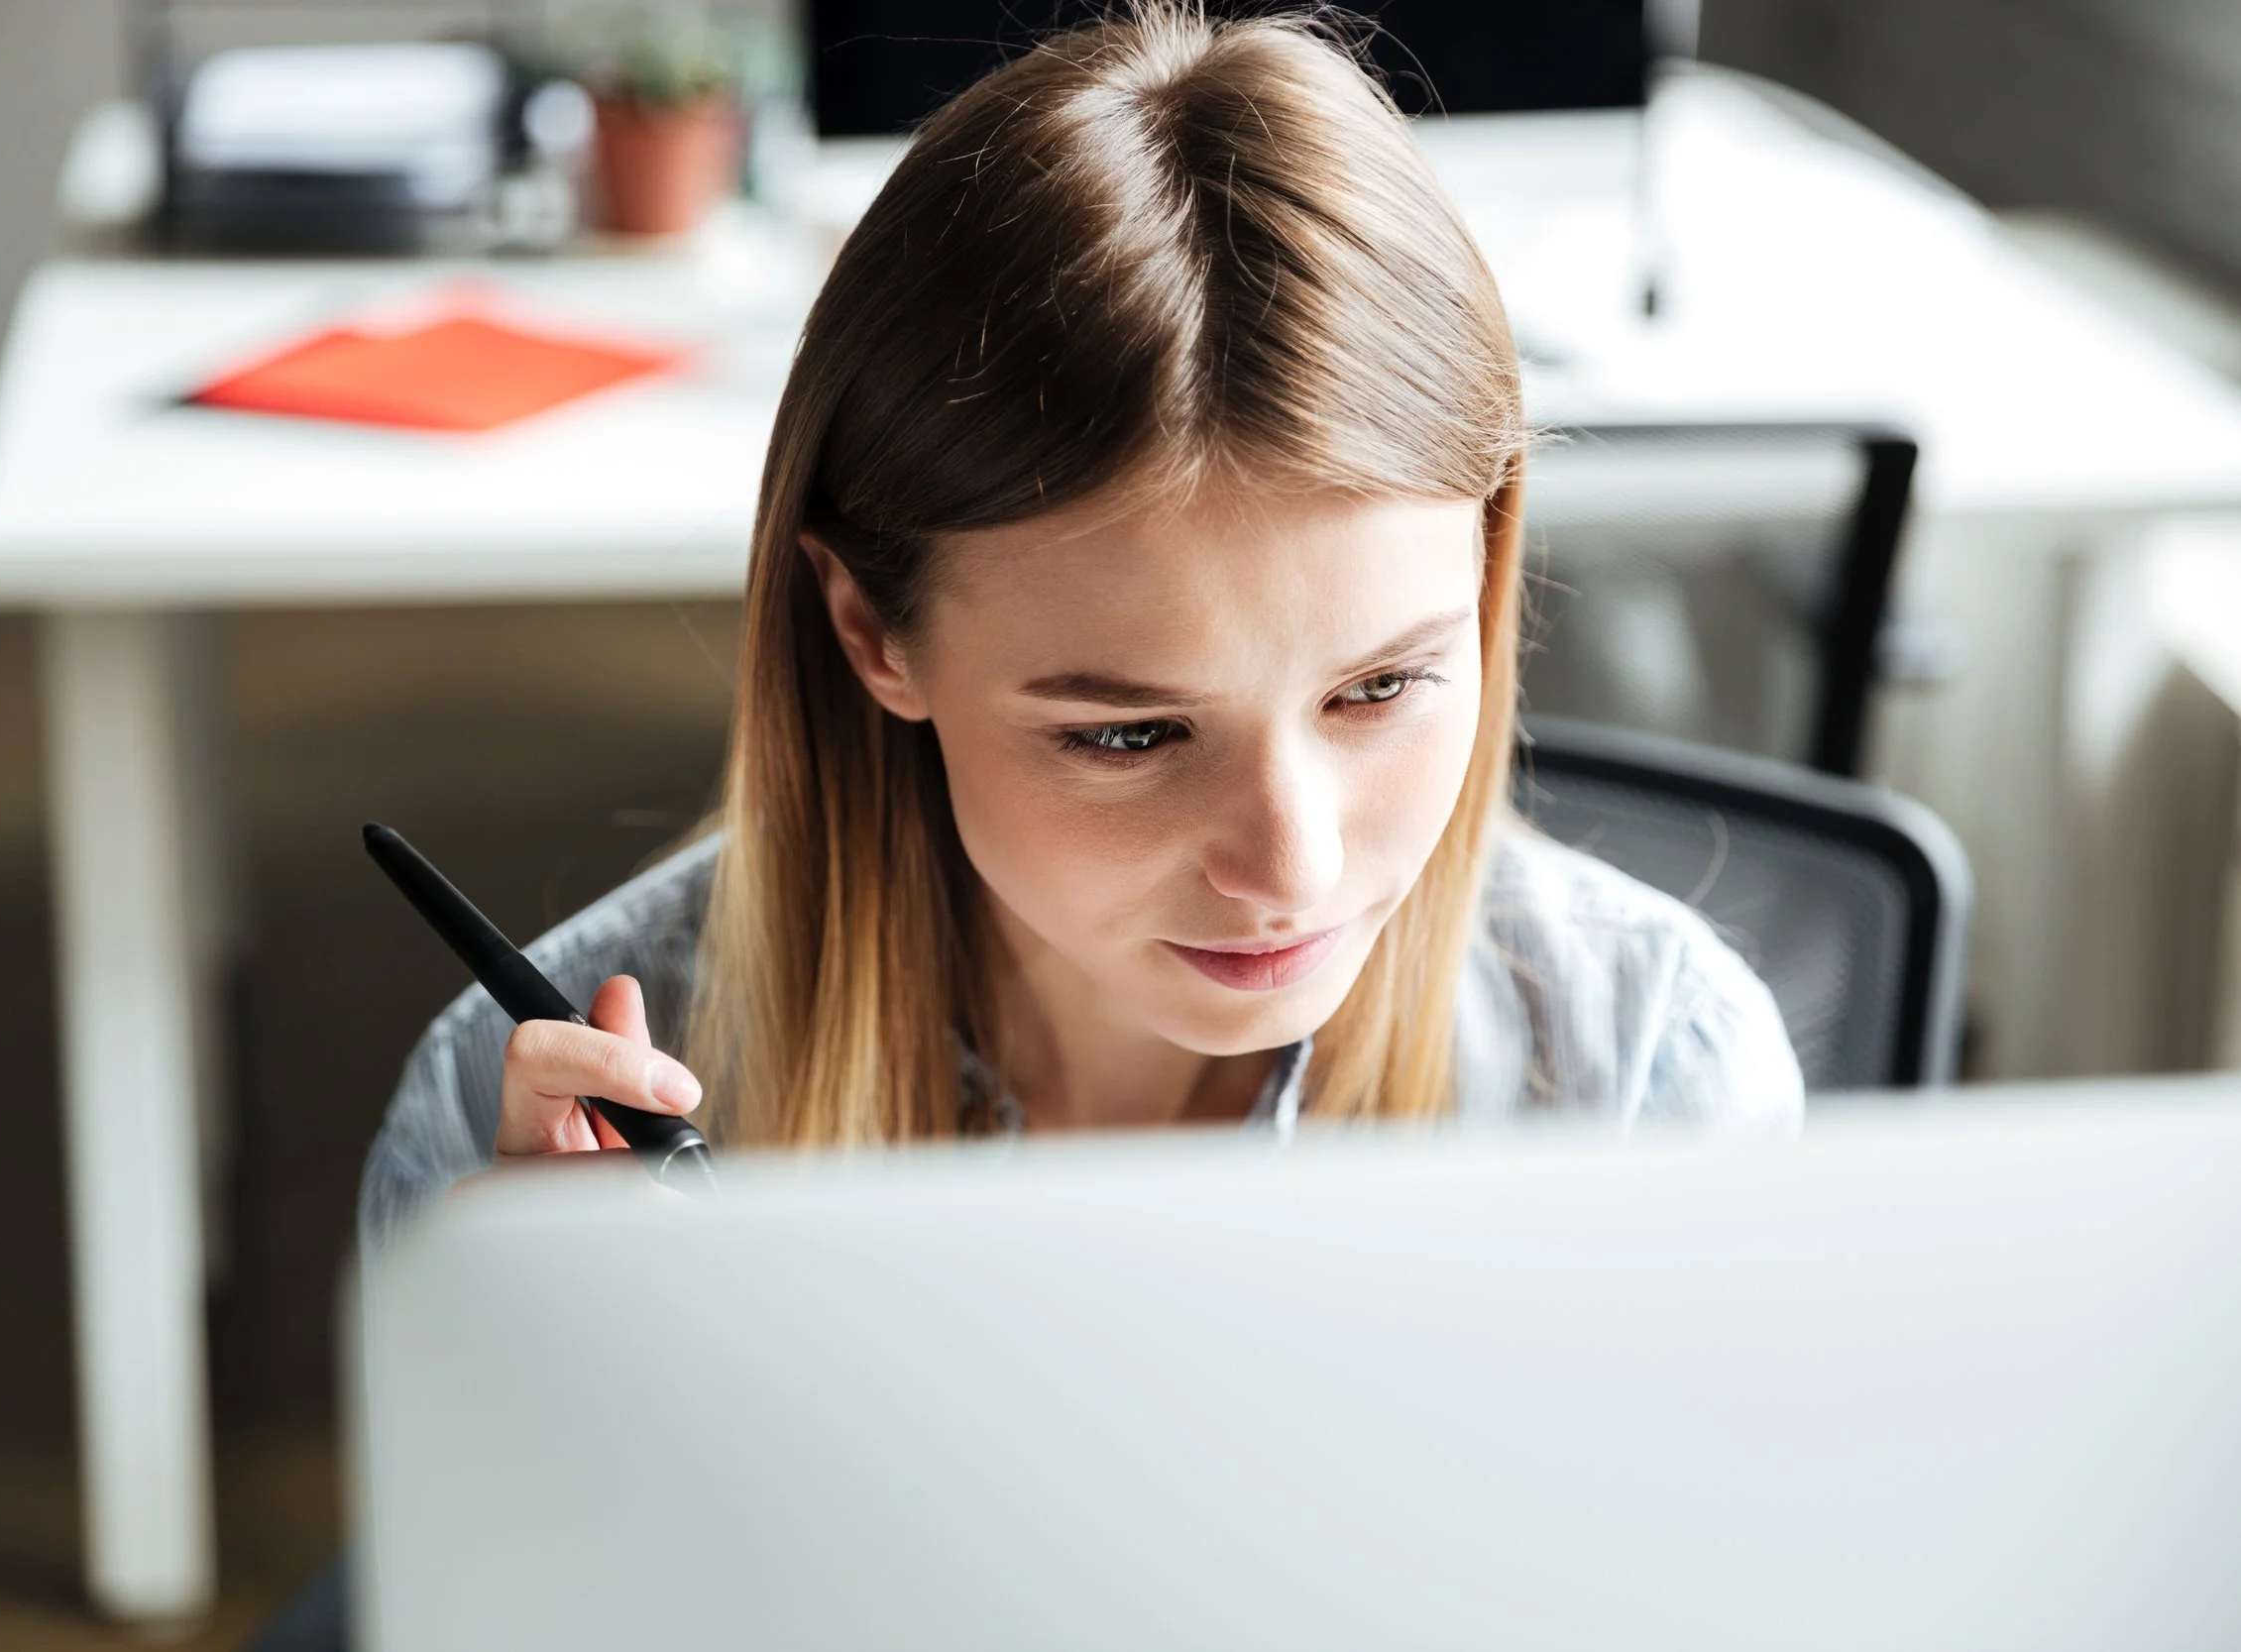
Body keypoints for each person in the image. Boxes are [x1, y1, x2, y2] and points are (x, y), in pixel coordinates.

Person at [358, 5, 1802, 1256]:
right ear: (873, 630)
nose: (1290, 867)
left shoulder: (1653, 1081)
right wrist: (550, 1391)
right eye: (1128, 731)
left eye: (1380, 689)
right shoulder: (534, 1114)